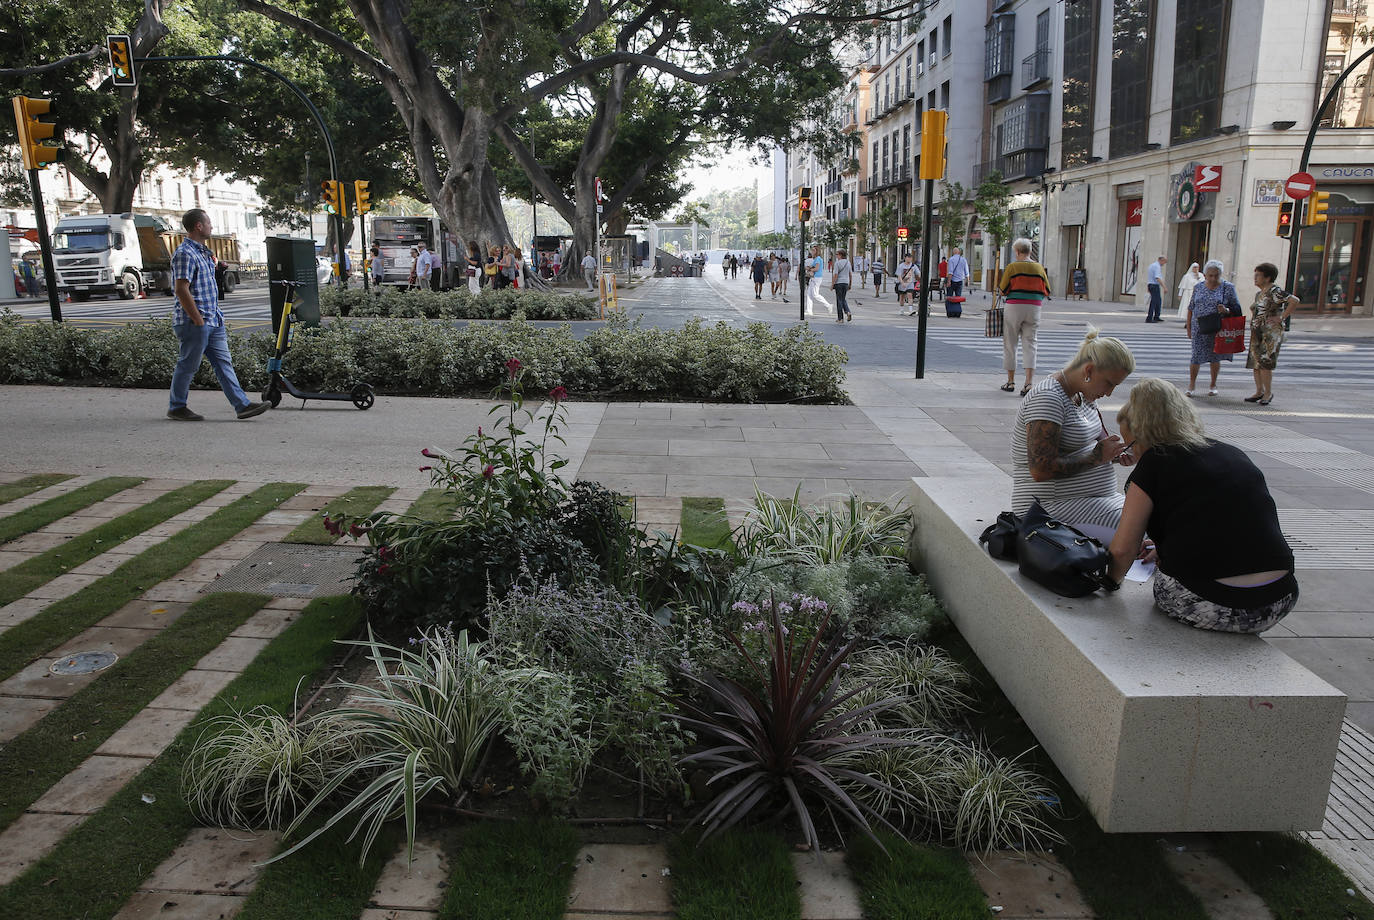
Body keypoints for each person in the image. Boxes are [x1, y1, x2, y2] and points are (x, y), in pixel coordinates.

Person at [1106, 377, 1298, 633]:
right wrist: (1170, 546)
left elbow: (1123, 550)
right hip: (1280, 598)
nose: (1132, 454)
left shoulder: (1154, 462)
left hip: (1216, 605)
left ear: (1144, 435)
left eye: (1131, 445)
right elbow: (1226, 521)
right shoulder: (1230, 451)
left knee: (1162, 582)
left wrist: (1107, 585)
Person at [1011, 328, 1136, 543]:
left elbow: (1100, 444)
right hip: (1049, 507)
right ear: (1088, 370)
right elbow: (1040, 470)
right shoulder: (1048, 398)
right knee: (1141, 528)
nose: (1109, 393)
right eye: (1109, 383)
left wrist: (1117, 453)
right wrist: (1098, 457)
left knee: (1156, 515)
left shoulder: (1083, 394)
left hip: (1089, 500)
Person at [166, 209, 269, 422]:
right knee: (188, 364)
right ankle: (176, 407)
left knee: (223, 363)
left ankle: (242, 406)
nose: (212, 227)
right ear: (199, 226)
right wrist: (197, 319)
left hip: (213, 319)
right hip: (195, 321)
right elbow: (181, 289)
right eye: (209, 222)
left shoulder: (202, 252)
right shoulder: (185, 253)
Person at [999, 238, 1051, 396]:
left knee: (1010, 343)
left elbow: (1003, 290)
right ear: (1029, 251)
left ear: (1017, 252)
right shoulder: (1039, 267)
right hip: (1034, 307)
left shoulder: (1013, 267)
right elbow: (1047, 290)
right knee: (1031, 343)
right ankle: (1028, 383)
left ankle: (1011, 381)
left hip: (1014, 306)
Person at [1185, 259, 1243, 397]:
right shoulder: (1198, 287)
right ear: (1205, 274)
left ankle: (1213, 384)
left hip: (1217, 327)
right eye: (1210, 275)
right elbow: (1191, 307)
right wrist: (1188, 327)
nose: (1212, 278)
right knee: (1196, 356)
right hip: (1199, 326)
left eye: (1216, 275)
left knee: (1215, 356)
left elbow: (1237, 308)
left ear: (1220, 275)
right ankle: (1192, 384)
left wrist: (1226, 310)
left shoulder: (1227, 287)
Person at [1245, 262, 1300, 406]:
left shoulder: (1274, 291)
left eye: (1258, 275)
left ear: (1267, 278)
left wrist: (1281, 317)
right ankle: (1259, 391)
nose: (1255, 278)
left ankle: (1268, 392)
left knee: (1265, 362)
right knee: (1255, 362)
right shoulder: (1260, 293)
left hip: (1270, 333)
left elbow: (1294, 300)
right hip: (1257, 332)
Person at [831, 250, 853, 323]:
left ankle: (840, 318)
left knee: (839, 300)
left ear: (841, 255)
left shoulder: (837, 263)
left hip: (839, 283)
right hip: (845, 283)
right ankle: (848, 312)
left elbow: (835, 275)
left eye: (837, 254)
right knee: (843, 299)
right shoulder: (848, 262)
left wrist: (832, 284)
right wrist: (850, 284)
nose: (836, 256)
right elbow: (850, 274)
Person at [1145, 255, 1167, 323]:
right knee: (1154, 302)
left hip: (1151, 285)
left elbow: (1149, 277)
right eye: (1164, 262)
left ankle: (1156, 316)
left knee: (1158, 301)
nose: (1164, 264)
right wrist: (1164, 287)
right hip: (1154, 286)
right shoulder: (1157, 267)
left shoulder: (1152, 265)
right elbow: (1157, 278)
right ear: (1161, 260)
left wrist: (1148, 286)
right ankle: (1149, 318)